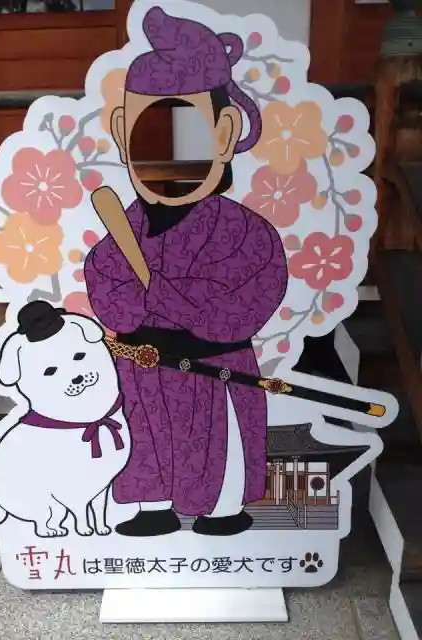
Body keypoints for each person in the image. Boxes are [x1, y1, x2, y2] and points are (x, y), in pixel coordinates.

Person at [84, 6, 288, 537]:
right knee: (146, 442)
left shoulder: (246, 234)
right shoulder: (123, 233)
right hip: (142, 368)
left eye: (187, 137)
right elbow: (108, 289)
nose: (169, 158)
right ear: (122, 133)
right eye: (151, 138)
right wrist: (149, 300)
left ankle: (219, 509)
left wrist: (161, 294)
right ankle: (152, 507)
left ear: (224, 133)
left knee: (218, 454)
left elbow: (239, 308)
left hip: (214, 369)